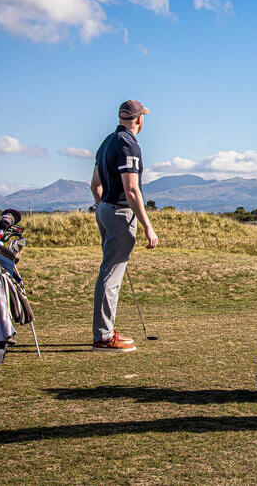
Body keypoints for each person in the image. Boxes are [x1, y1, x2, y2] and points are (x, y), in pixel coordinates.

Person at [89, 99, 159, 351]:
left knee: (110, 272)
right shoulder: (129, 145)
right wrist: (148, 226)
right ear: (139, 119)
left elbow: (95, 186)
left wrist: (102, 207)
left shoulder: (107, 142)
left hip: (104, 209)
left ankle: (105, 331)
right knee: (111, 275)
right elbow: (132, 190)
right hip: (119, 213)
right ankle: (104, 336)